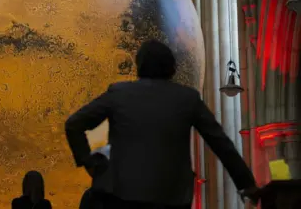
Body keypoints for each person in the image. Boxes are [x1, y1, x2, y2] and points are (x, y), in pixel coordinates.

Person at [65, 40, 260, 209]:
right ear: (172, 67)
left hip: (124, 195)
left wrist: (89, 162)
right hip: (172, 197)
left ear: (139, 65)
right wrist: (247, 183)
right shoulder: (187, 98)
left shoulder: (119, 94)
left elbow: (74, 124)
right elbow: (221, 143)